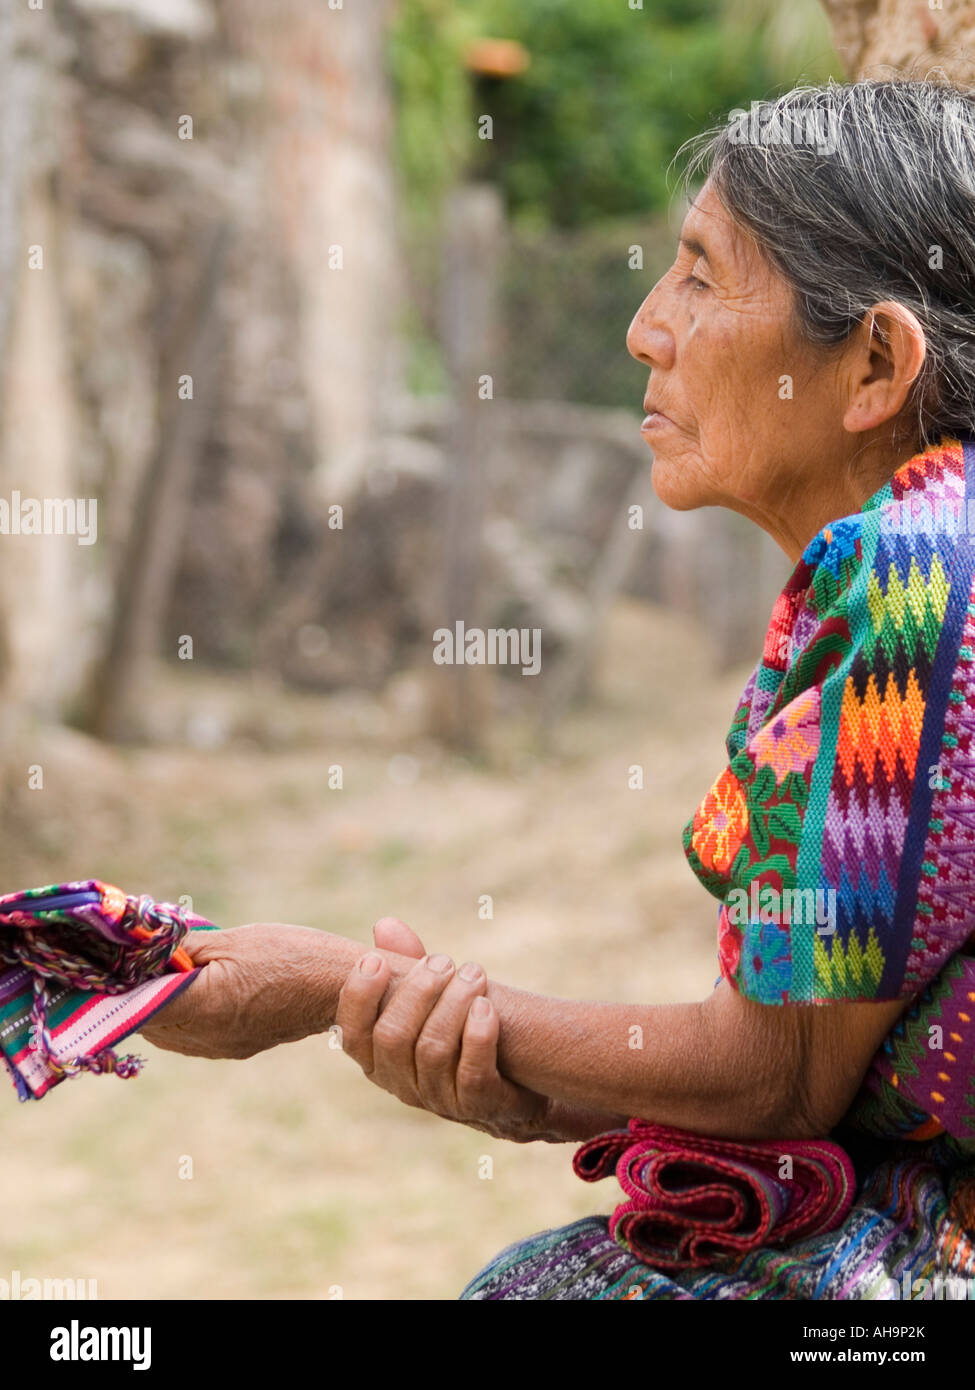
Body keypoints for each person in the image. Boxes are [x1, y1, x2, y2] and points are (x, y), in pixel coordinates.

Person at [143, 78, 975, 1299]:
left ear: (874, 364)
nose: (646, 329)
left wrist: (332, 985)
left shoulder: (924, 578)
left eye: (701, 279)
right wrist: (516, 1079)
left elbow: (781, 1078)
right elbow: (798, 1063)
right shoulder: (923, 559)